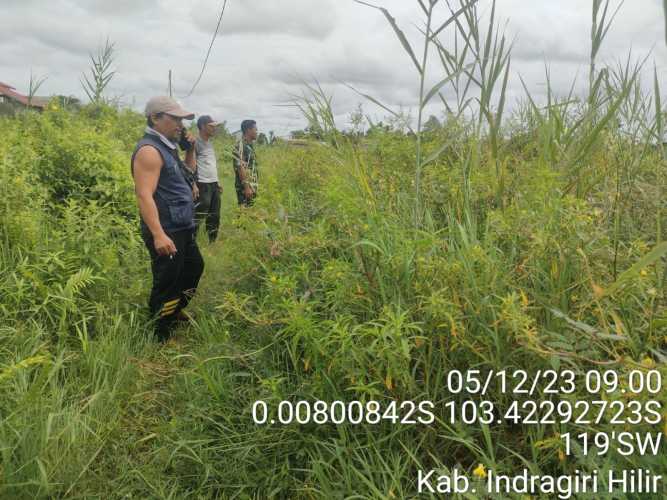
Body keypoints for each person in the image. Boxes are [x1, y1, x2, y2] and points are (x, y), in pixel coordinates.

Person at [131, 96, 204, 342]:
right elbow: (144, 195)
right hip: (167, 229)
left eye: (182, 119)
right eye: (174, 118)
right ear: (155, 118)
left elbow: (189, 173)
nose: (180, 125)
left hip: (182, 225)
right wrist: (159, 234)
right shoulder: (149, 151)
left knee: (194, 267)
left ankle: (172, 311)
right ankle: (159, 333)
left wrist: (191, 149)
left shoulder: (169, 147)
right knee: (167, 281)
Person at [194, 115, 222, 242]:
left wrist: (217, 182)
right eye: (211, 126)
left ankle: (212, 240)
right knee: (199, 213)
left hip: (213, 184)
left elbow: (210, 164)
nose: (214, 128)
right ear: (202, 126)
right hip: (202, 184)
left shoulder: (209, 143)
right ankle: (191, 239)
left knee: (215, 214)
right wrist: (193, 184)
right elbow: (190, 165)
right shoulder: (195, 142)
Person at [233, 119, 259, 207]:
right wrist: (247, 187)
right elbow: (240, 167)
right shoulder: (240, 146)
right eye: (255, 129)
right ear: (248, 130)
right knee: (244, 212)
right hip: (245, 187)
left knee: (251, 212)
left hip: (253, 185)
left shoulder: (250, 146)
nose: (257, 132)